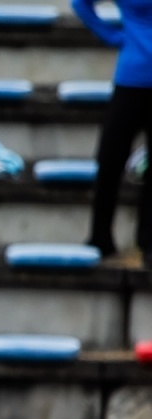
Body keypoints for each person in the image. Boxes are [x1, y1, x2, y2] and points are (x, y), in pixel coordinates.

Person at [75, 0, 151, 267]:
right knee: (110, 159)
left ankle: (147, 240)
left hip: (134, 74)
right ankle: (100, 235)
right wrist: (112, 36)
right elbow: (81, 3)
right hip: (131, 77)